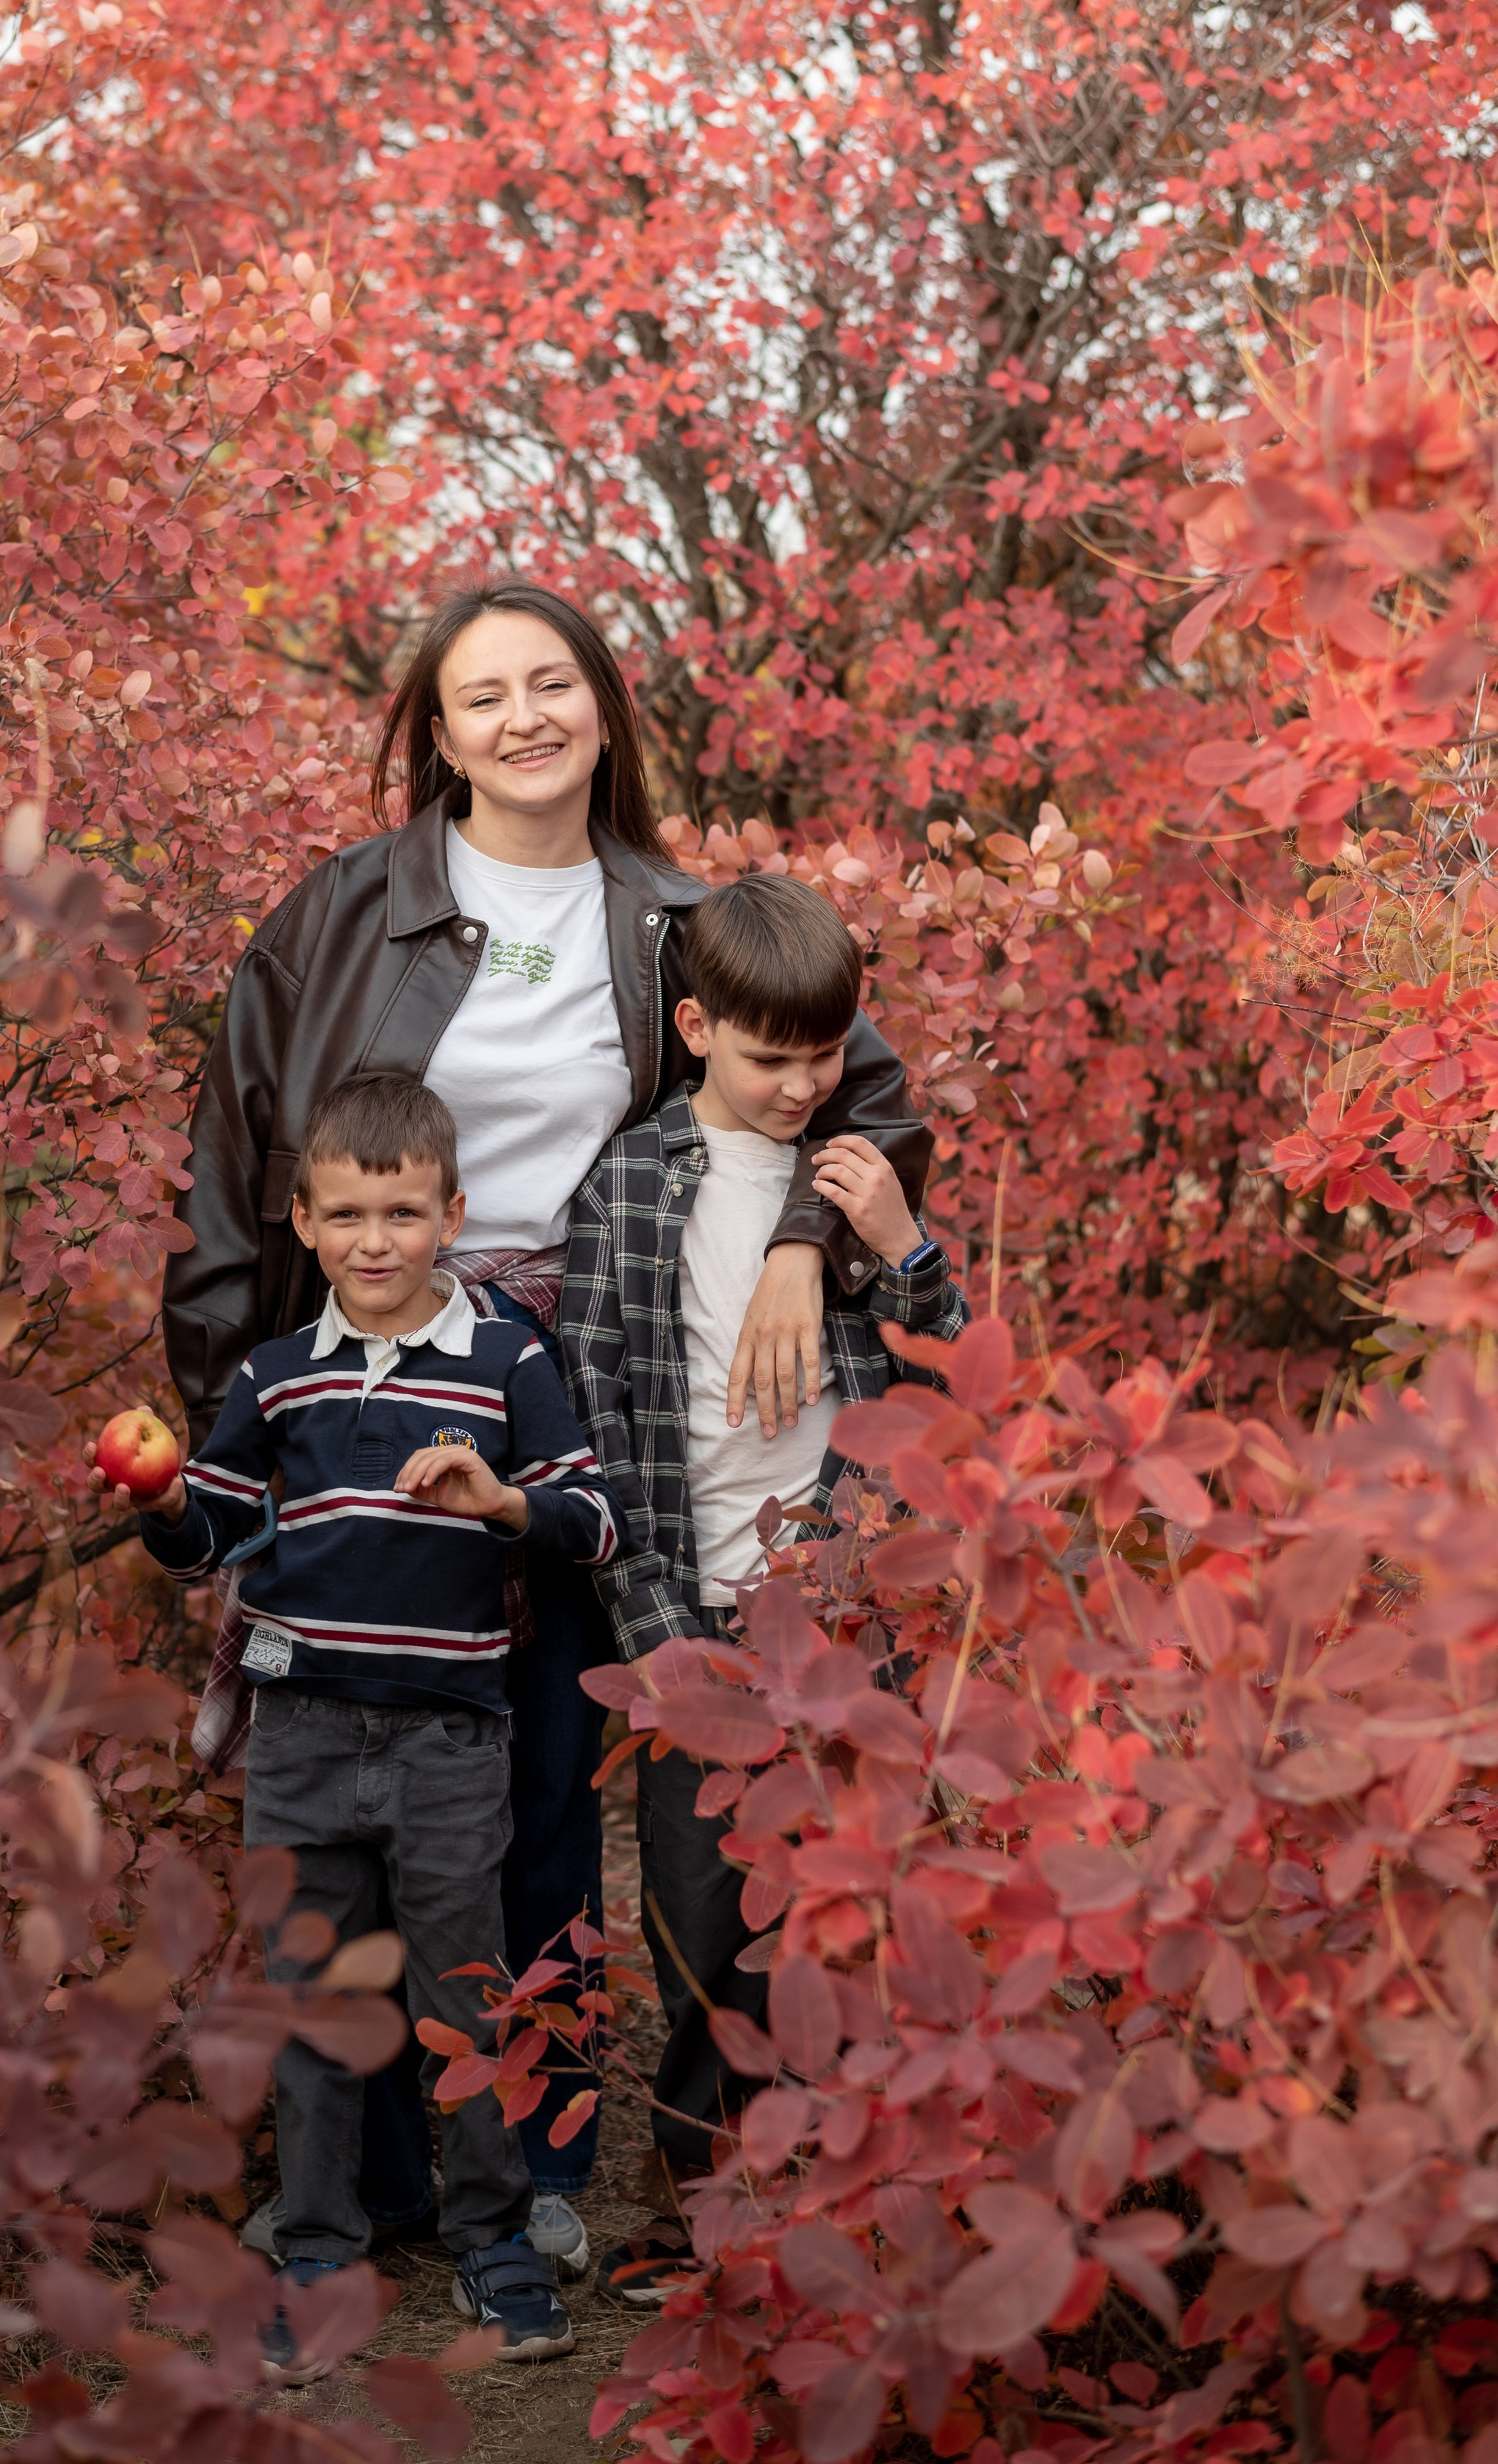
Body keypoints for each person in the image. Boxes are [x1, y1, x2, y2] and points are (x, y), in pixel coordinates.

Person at [162, 574, 930, 2270]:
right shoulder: (336, 919)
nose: (523, 718)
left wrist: (798, 1246)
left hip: (587, 1378)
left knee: (542, 1781)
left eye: (551, 683)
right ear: (437, 735)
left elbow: (854, 1095)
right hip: (370, 1358)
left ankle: (534, 2164)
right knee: (363, 1768)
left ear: (601, 705)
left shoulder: (674, 917)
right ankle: (365, 2179)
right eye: (482, 695)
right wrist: (230, 1450)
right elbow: (229, 1179)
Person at [106, 1072, 629, 2377]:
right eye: (345, 1215)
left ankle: (493, 2239)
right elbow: (215, 1532)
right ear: (303, 1221)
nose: (375, 1241)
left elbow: (593, 1518)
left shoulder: (506, 1360)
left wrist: (499, 1503)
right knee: (311, 2000)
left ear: (452, 1214)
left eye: (403, 1213)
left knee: (467, 1997)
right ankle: (320, 2250)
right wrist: (164, 1502)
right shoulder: (277, 1376)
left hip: (451, 1738)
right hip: (303, 1733)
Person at [559, 875, 971, 2305]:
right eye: (768, 1057)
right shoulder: (627, 1186)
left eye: (825, 1055)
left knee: (846, 1915)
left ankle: (845, 2202)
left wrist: (903, 1242)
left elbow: (946, 1362)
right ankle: (701, 2211)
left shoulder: (850, 1175)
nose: (801, 1086)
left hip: (848, 1609)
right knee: (705, 1925)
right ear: (695, 1029)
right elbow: (599, 1422)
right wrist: (658, 1634)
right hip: (701, 1614)